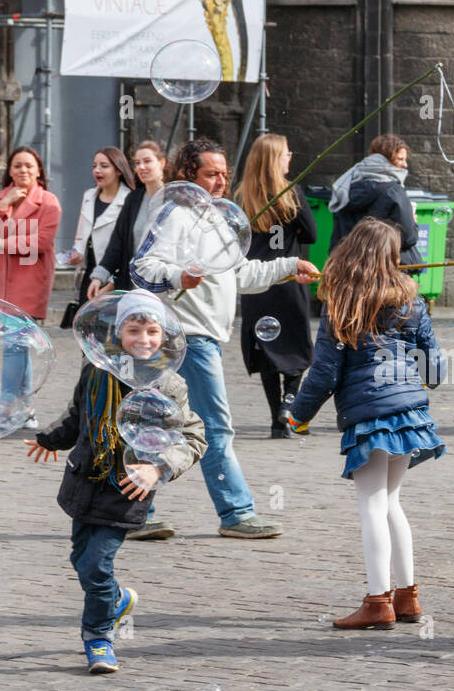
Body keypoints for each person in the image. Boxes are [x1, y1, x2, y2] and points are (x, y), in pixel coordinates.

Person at [131, 138, 320, 539]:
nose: (220, 181)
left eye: (223, 174)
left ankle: (136, 511)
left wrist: (289, 266)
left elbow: (239, 276)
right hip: (185, 337)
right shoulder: (175, 214)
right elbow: (143, 266)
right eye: (211, 174)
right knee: (214, 425)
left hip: (204, 337)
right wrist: (177, 276)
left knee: (159, 423)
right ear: (189, 175)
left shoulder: (218, 220)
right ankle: (235, 513)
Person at [23, 289, 207, 673]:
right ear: (118, 334)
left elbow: (194, 437)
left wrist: (157, 468)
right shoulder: (97, 369)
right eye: (134, 330)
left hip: (127, 488)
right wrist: (49, 439)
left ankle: (99, 637)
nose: (144, 339)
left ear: (164, 335)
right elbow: (78, 417)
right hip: (84, 482)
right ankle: (118, 600)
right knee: (81, 560)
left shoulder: (168, 384)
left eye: (152, 331)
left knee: (94, 565)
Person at [288, 219, 446, 629]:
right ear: (392, 257)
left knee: (373, 505)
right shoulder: (412, 300)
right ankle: (408, 597)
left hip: (370, 416)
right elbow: (437, 369)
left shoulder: (343, 301)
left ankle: (378, 602)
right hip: (410, 413)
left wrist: (298, 414)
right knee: (391, 502)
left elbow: (324, 373)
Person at [0, 146, 62, 428]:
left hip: (29, 282)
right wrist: (2, 204)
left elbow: (41, 242)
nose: (23, 171)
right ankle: (27, 409)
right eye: (18, 166)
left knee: (13, 345)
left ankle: (6, 405)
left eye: (29, 166)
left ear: (39, 171)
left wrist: (2, 244)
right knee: (18, 346)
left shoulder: (48, 202)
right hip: (0, 284)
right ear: (9, 170)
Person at [234, 133, 318, 438]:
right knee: (296, 345)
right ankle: (289, 401)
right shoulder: (291, 193)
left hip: (257, 283)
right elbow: (311, 234)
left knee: (266, 348)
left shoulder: (242, 197)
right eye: (285, 154)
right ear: (273, 160)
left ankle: (276, 422)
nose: (290, 157)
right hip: (289, 278)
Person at [328, 133, 423, 268]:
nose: (405, 165)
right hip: (382, 270)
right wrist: (412, 221)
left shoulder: (345, 187)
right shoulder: (394, 192)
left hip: (348, 266)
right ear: (385, 159)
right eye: (400, 159)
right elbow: (409, 238)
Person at [89, 141, 167, 299]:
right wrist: (99, 276)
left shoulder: (174, 199)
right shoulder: (133, 199)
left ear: (162, 163)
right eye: (137, 163)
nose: (141, 167)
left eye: (147, 161)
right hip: (133, 287)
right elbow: (117, 243)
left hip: (165, 287)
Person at [67, 147, 134, 309]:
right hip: (89, 275)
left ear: (118, 170)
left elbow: (127, 247)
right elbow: (81, 237)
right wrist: (76, 254)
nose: (97, 170)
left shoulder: (129, 199)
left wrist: (112, 281)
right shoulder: (89, 196)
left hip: (116, 276)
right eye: (94, 166)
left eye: (104, 166)